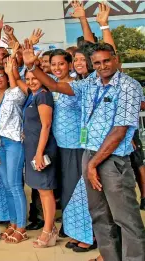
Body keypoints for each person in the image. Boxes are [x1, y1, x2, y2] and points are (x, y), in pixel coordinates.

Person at [22, 41, 145, 261]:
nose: (102, 66)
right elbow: (57, 86)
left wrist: (92, 164)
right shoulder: (90, 83)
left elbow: (119, 131)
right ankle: (110, 257)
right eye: (97, 62)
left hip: (112, 159)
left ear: (115, 59)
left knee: (125, 217)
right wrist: (33, 68)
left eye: (106, 60)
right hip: (89, 154)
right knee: (100, 215)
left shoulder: (129, 86)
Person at [49, 49, 95, 251]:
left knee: (81, 192)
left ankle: (89, 235)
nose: (57, 68)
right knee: (67, 191)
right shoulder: (52, 85)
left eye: (61, 64)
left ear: (69, 65)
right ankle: (75, 231)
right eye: (54, 64)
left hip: (77, 145)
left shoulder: (79, 85)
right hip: (60, 146)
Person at [10, 57, 59, 248]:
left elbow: (46, 125)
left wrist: (39, 154)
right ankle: (49, 228)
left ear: (42, 77)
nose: (30, 81)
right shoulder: (32, 94)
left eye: (34, 78)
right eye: (28, 78)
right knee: (40, 190)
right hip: (31, 148)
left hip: (42, 149)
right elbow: (16, 78)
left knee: (46, 192)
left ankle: (49, 230)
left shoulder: (43, 95)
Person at [0, 63, 28, 244]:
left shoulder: (14, 94)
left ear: (6, 78)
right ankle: (13, 223)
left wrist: (10, 72)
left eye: (1, 76)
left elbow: (18, 93)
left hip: (13, 142)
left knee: (14, 185)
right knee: (6, 185)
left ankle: (22, 227)